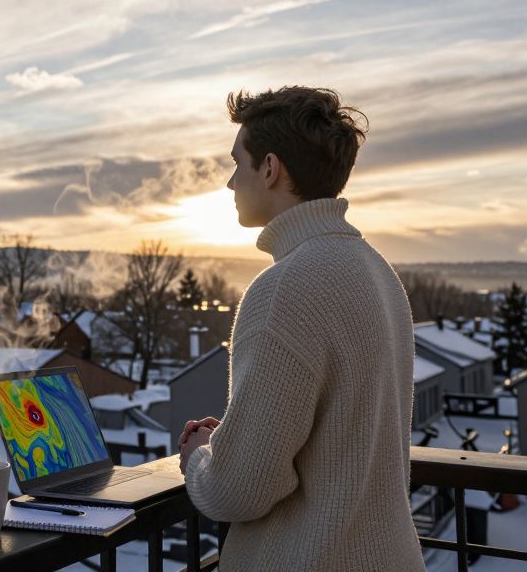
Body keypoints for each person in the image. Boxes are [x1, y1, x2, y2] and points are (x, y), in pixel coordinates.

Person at [178, 87, 425, 571]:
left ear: (270, 169)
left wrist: (201, 460)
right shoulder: (375, 271)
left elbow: (239, 491)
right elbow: (336, 434)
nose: (230, 183)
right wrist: (237, 439)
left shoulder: (285, 288)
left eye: (237, 163)